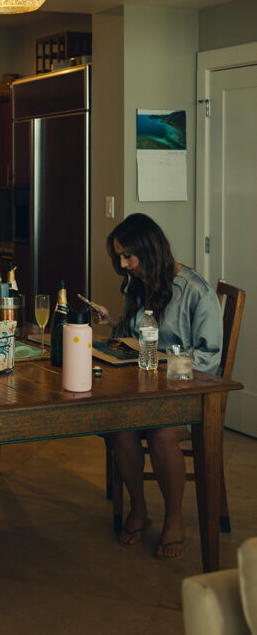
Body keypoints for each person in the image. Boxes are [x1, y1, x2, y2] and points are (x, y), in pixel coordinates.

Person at [92, 214, 222, 558]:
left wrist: (163, 363)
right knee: (121, 428)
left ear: (148, 251)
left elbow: (210, 359)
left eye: (127, 257)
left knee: (162, 433)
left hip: (188, 391)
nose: (122, 265)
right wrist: (113, 324)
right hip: (145, 389)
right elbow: (137, 336)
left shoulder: (196, 290)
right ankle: (139, 507)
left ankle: (175, 518)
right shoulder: (137, 284)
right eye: (118, 257)